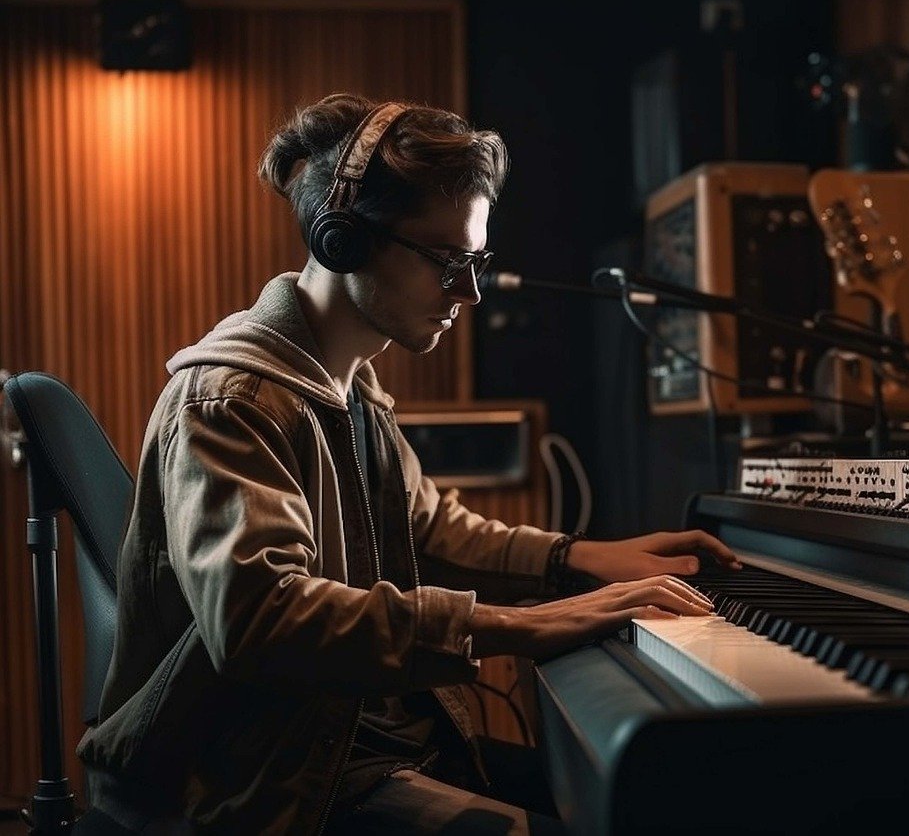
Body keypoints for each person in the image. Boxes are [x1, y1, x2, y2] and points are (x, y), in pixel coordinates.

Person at [76, 92, 741, 836]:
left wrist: (579, 558)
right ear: (344, 241)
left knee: (645, 800)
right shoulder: (234, 401)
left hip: (352, 744)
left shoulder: (353, 383)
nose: (470, 292)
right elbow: (261, 618)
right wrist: (523, 625)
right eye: (447, 261)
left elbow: (425, 526)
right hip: (259, 786)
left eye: (477, 260)